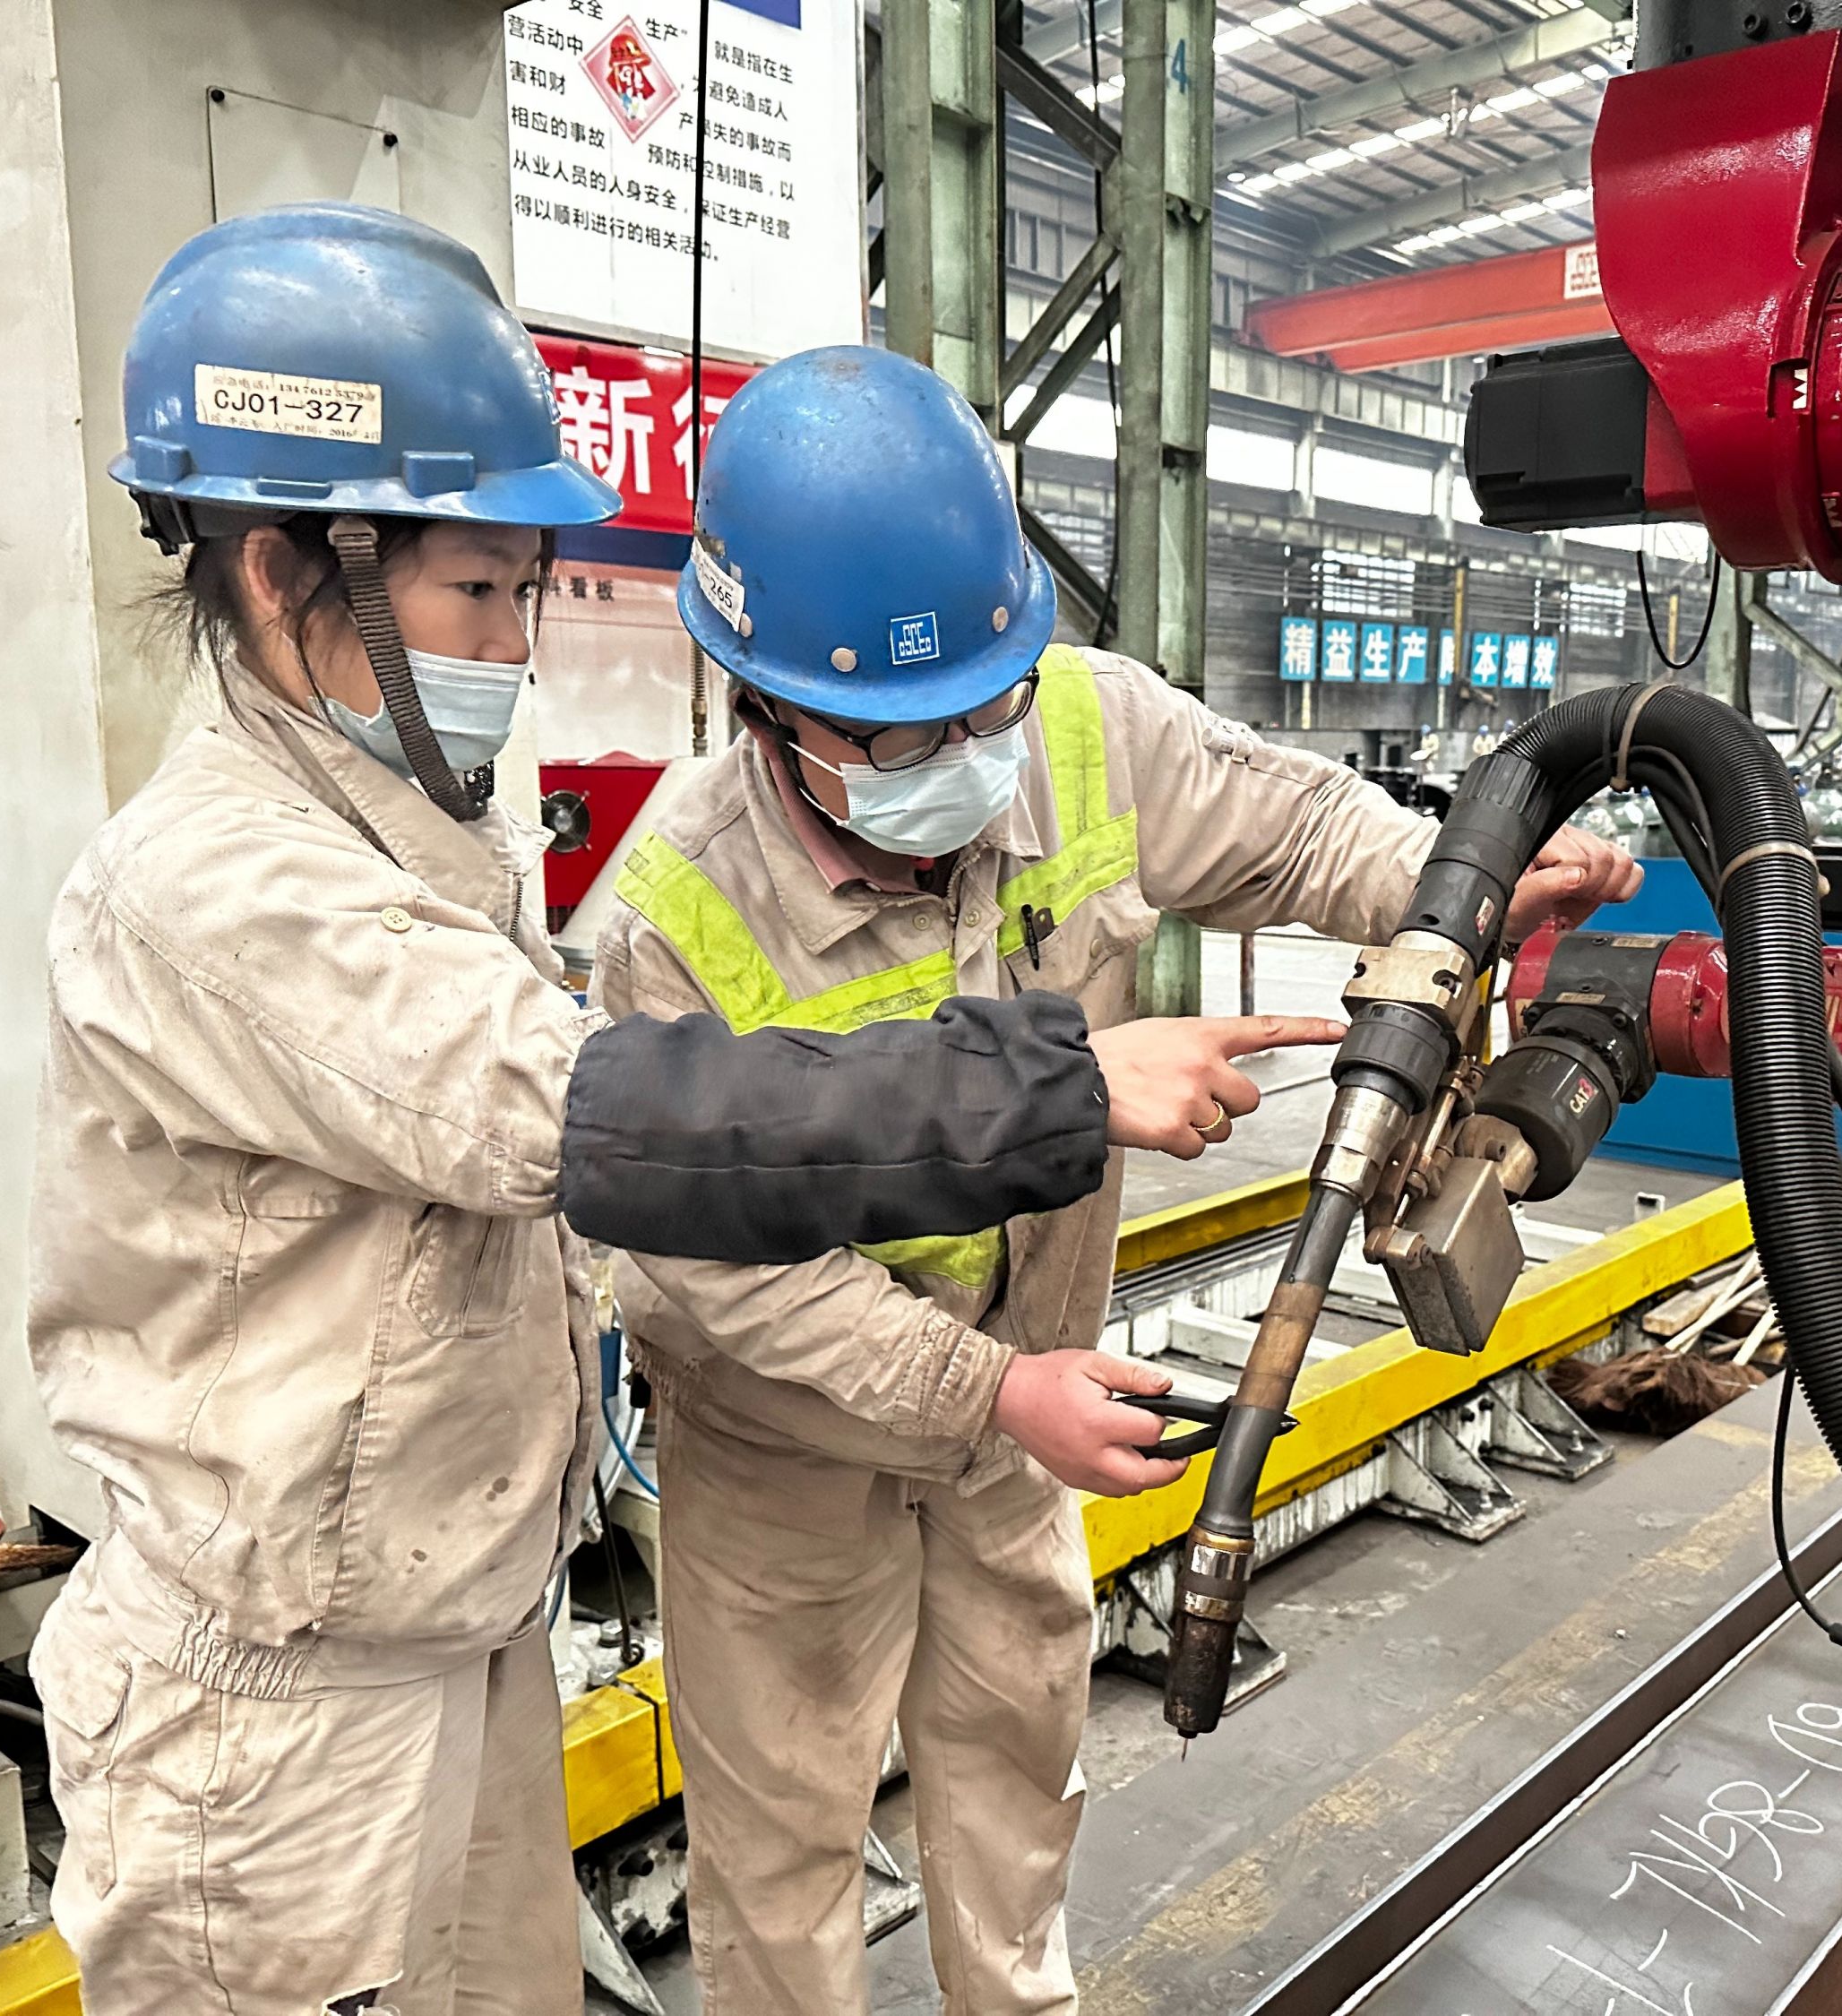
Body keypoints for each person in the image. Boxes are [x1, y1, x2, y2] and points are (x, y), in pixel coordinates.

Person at [22, 205, 1233, 2016]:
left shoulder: (420, 835)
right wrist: (1052, 1084)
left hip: (459, 1624)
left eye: (528, 589)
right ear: (283, 573)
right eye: (477, 593)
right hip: (278, 1715)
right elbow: (605, 1121)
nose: (514, 646)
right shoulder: (219, 887)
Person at [595, 345, 1641, 2014]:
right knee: (780, 1856)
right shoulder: (677, 909)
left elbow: (1295, 827)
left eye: (985, 704)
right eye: (901, 735)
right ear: (766, 704)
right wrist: (990, 1390)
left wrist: (1459, 886)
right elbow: (708, 1263)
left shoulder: (1078, 729)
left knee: (1017, 1788)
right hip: (788, 1451)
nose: (964, 755)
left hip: (1024, 1413)